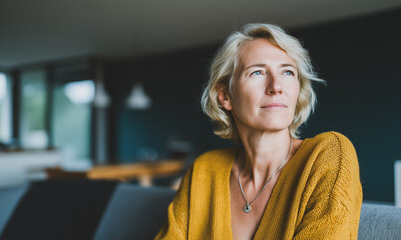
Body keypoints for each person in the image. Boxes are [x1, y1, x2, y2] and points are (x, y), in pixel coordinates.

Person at [155, 23, 362, 240]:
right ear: (225, 96)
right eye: (257, 72)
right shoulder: (204, 171)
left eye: (287, 72)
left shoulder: (330, 155)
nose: (276, 86)